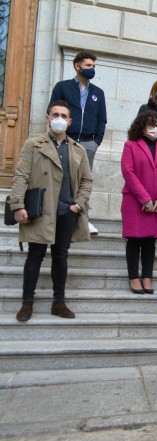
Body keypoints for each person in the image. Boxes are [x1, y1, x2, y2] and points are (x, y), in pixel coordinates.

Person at [10, 101, 93, 322]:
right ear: (48, 118)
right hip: (40, 210)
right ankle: (27, 303)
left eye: (64, 115)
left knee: (61, 256)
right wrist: (17, 205)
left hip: (67, 210)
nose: (59, 118)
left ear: (69, 121)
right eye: (55, 114)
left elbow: (87, 180)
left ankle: (59, 302)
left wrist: (78, 204)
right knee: (35, 255)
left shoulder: (78, 149)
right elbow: (21, 176)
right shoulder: (33, 144)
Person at [49, 51, 106, 235]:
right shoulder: (62, 87)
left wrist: (96, 141)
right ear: (77, 66)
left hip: (88, 143)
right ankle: (55, 216)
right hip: (67, 139)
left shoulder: (98, 93)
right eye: (88, 66)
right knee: (62, 177)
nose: (92, 69)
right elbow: (53, 111)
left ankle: (83, 219)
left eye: (94, 66)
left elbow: (102, 119)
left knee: (84, 181)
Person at [120, 111, 157, 294]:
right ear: (141, 127)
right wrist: (144, 198)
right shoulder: (131, 146)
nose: (154, 128)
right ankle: (134, 277)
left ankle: (147, 277)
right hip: (136, 201)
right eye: (150, 125)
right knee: (135, 240)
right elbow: (128, 172)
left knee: (150, 241)